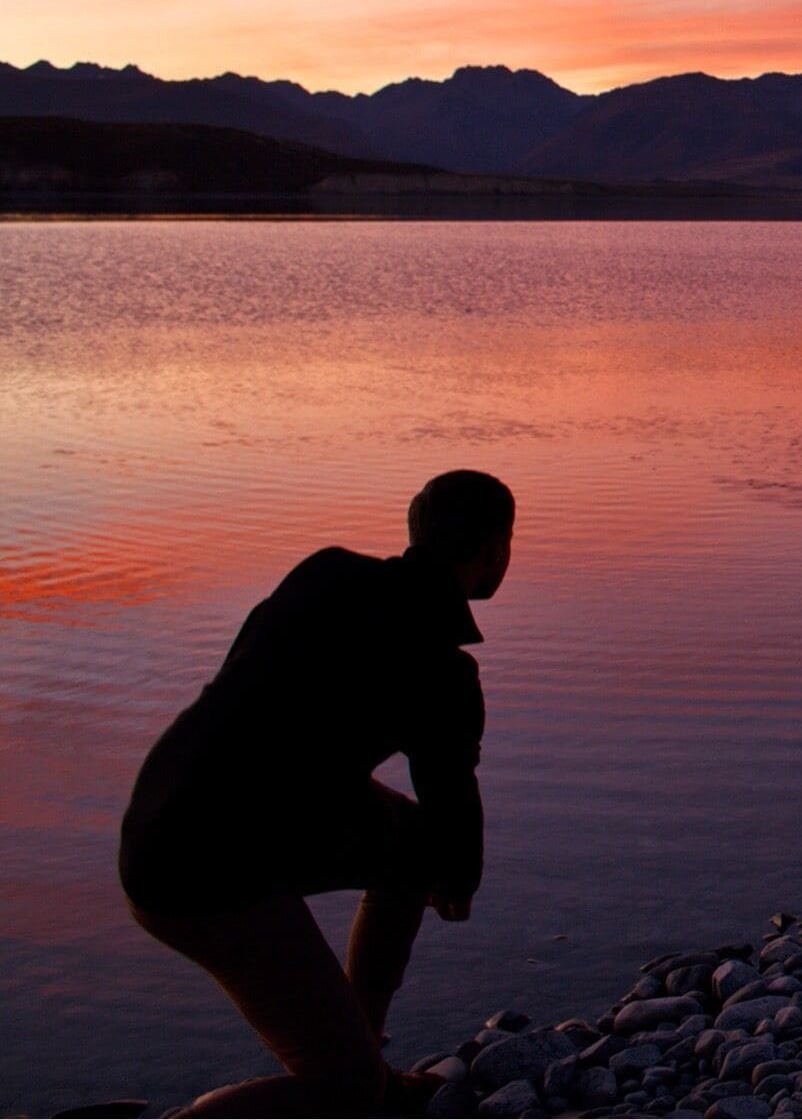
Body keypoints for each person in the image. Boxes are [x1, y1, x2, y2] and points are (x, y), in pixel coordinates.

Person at [120, 471, 515, 1117]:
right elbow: (452, 802)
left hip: (156, 812)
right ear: (495, 550)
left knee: (412, 849)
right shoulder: (443, 675)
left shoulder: (324, 574)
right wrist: (460, 880)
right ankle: (350, 1084)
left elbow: (256, 710)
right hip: (194, 874)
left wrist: (431, 855)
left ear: (415, 526)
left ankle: (364, 1055)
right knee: (342, 1089)